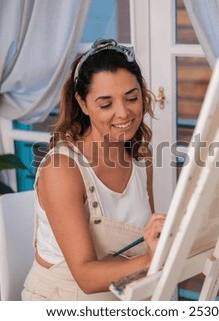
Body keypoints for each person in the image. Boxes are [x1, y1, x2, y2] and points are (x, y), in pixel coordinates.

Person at [21, 39, 166, 300]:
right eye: (106, 104)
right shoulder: (62, 169)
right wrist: (151, 260)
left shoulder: (141, 158)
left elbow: (147, 238)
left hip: (123, 293)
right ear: (83, 104)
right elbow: (86, 278)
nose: (123, 113)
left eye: (132, 98)